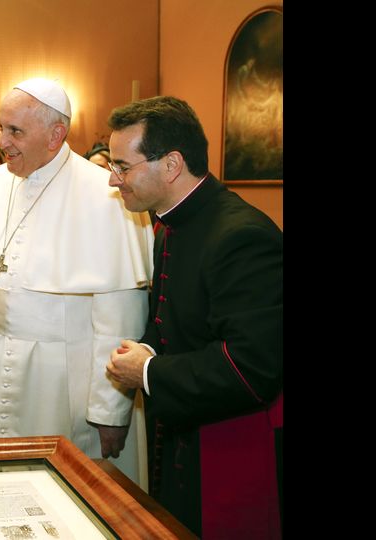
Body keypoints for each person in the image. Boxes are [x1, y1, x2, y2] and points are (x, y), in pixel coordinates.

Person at [0, 78, 154, 486]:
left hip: (63, 380)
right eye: (1, 127)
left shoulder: (106, 197)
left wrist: (110, 411)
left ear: (56, 134)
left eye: (15, 131)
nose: (2, 141)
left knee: (66, 491)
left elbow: (119, 320)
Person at [104, 96, 282, 538]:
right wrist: (147, 346)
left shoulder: (242, 236)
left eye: (123, 166)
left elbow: (251, 367)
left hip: (230, 444)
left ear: (171, 164)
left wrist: (147, 371)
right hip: (186, 431)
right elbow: (172, 323)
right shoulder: (170, 225)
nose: (113, 179)